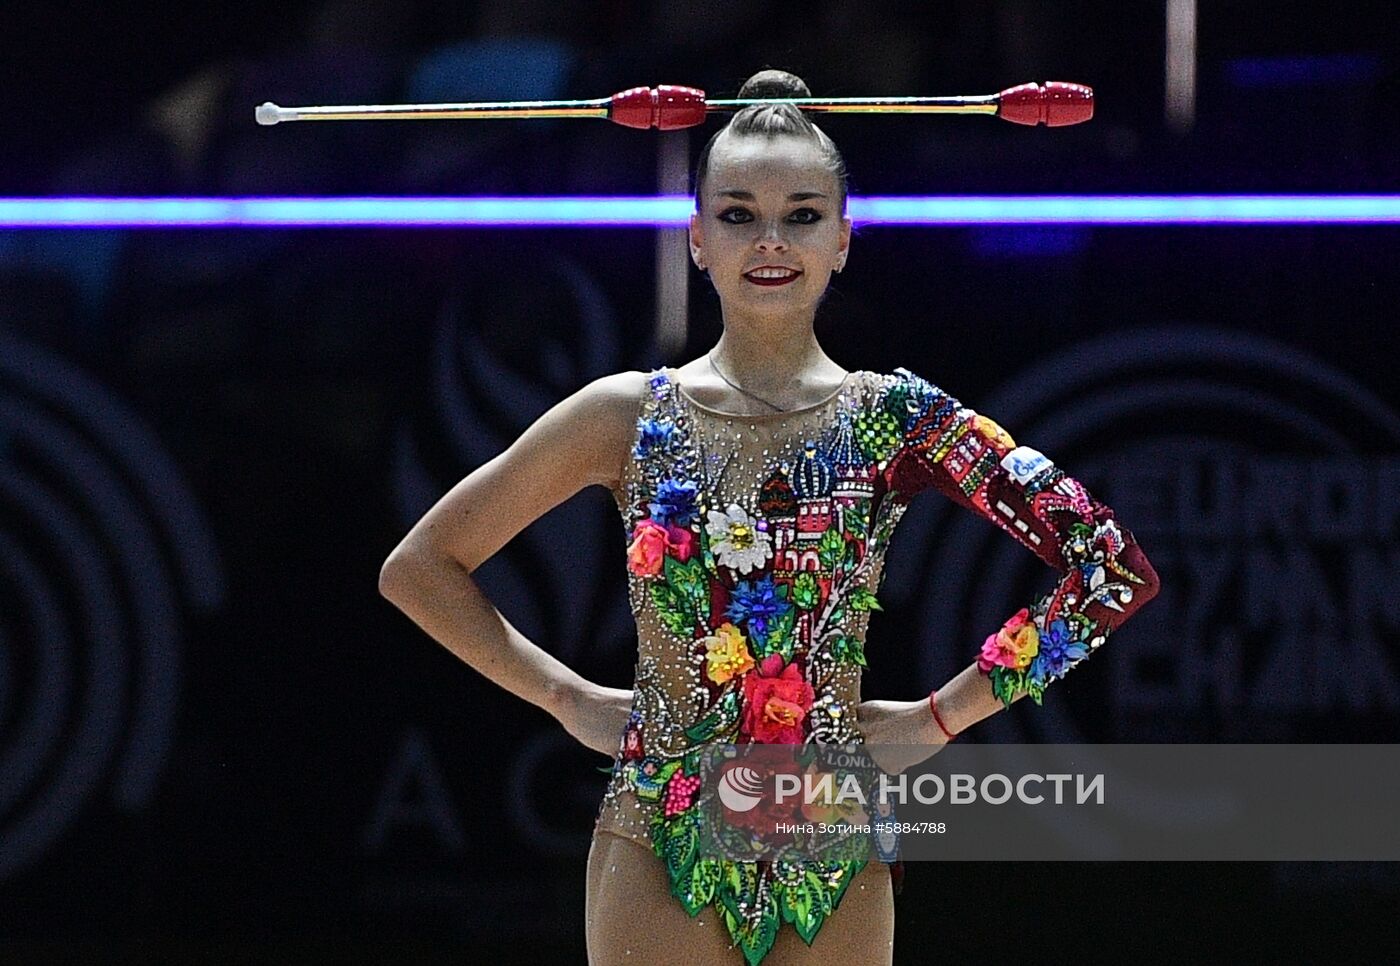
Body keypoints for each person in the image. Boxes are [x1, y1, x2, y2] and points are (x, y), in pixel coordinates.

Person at [378, 69, 1161, 966]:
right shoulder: (623, 416)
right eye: (739, 214)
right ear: (698, 240)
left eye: (802, 214)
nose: (770, 240)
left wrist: (941, 719)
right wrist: (565, 697)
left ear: (843, 240)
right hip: (665, 816)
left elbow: (1108, 564)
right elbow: (420, 566)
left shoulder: (896, 420)